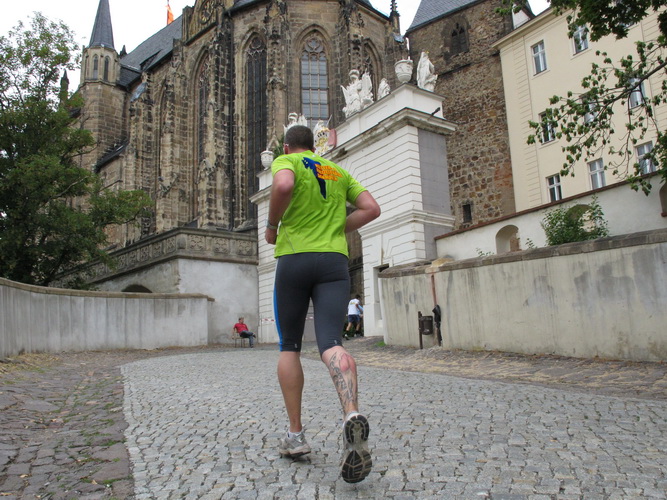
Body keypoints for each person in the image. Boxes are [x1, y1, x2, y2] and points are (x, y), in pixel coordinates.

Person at [265, 125, 380, 483]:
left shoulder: (287, 161)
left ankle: (296, 436)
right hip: (333, 261)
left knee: (290, 345)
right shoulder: (337, 171)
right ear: (313, 147)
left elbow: (283, 186)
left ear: (287, 146)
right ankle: (351, 414)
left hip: (295, 258)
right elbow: (371, 209)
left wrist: (272, 225)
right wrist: (335, 228)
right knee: (332, 342)